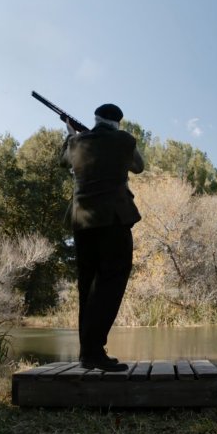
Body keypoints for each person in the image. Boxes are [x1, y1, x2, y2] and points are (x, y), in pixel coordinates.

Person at [60, 103, 144, 372]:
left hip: (82, 223)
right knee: (111, 282)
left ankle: (87, 353)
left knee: (88, 286)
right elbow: (138, 166)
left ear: (95, 119)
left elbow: (65, 161)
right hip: (114, 219)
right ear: (118, 121)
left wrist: (72, 133)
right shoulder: (124, 140)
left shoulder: (76, 142)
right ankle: (95, 350)